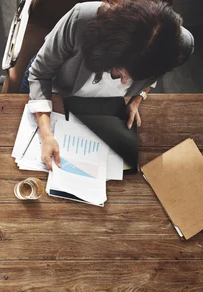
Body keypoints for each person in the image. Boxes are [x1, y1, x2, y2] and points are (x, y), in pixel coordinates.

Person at [21, 0, 194, 170]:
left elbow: (156, 74)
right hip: (52, 86)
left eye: (134, 78)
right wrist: (46, 133)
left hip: (98, 107)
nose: (124, 82)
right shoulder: (83, 18)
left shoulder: (180, 46)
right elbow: (39, 73)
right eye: (120, 71)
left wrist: (137, 98)